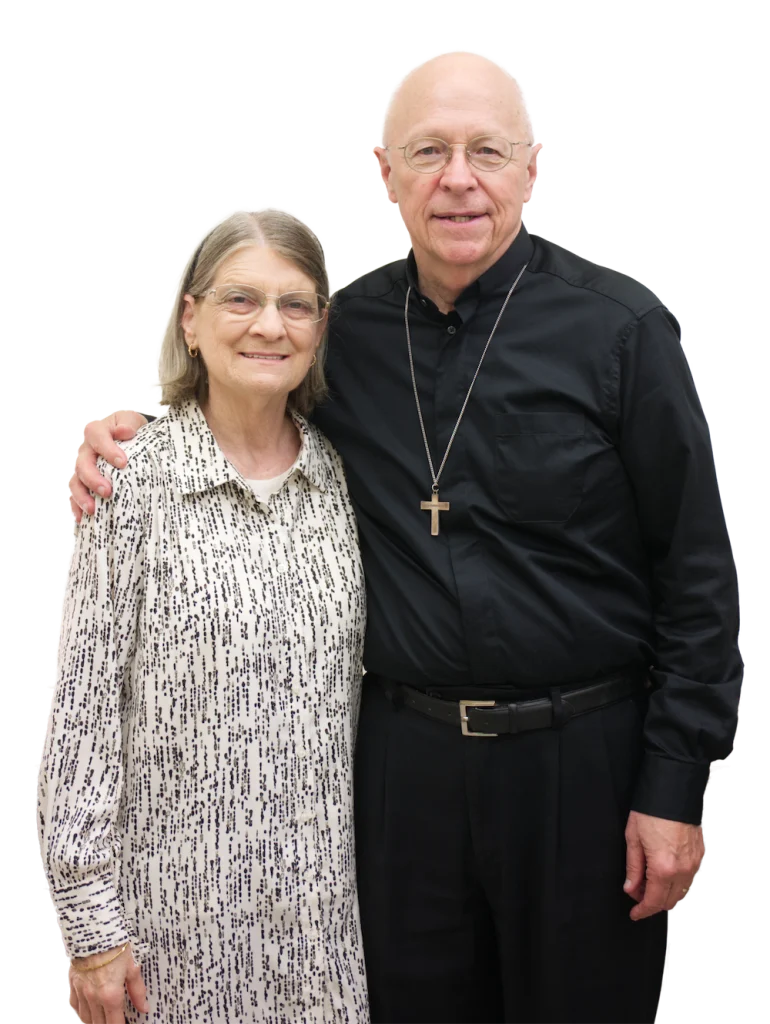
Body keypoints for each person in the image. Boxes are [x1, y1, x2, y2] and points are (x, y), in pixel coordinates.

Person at [68, 51, 743, 1024]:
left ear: (530, 167)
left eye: (485, 152)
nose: (457, 178)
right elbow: (247, 391)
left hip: (583, 769)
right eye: (428, 152)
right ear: (385, 171)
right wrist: (134, 435)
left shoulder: (622, 329)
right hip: (400, 775)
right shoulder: (343, 330)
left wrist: (675, 787)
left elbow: (698, 576)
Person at [40, 208, 369, 1023]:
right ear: (190, 318)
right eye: (240, 299)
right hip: (170, 935)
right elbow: (82, 717)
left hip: (319, 932)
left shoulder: (340, 479)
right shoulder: (133, 481)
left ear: (320, 328)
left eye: (295, 305)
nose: (269, 326)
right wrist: (90, 930)